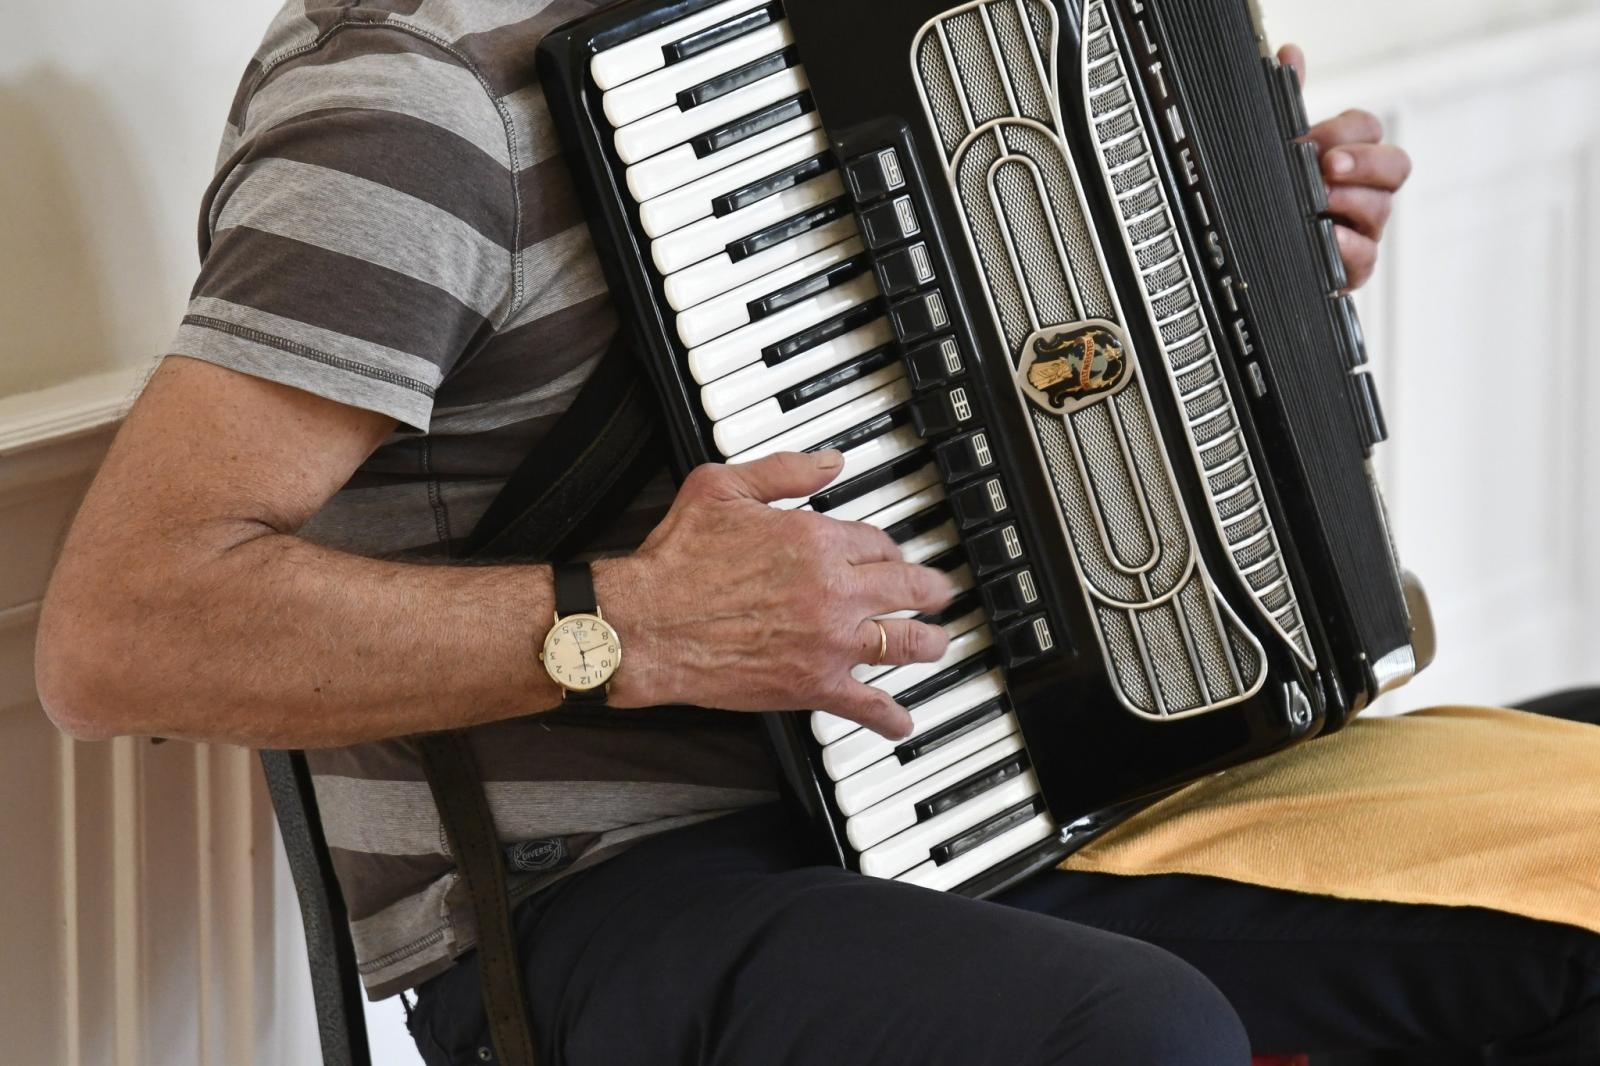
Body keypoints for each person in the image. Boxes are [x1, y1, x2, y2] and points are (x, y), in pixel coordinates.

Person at [34, 2, 1600, 1063]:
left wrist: (1239, 271)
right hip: (627, 887)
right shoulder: (404, 104)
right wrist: (630, 623)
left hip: (1001, 780)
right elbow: (119, 630)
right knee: (1129, 1036)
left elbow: (1010, 392)